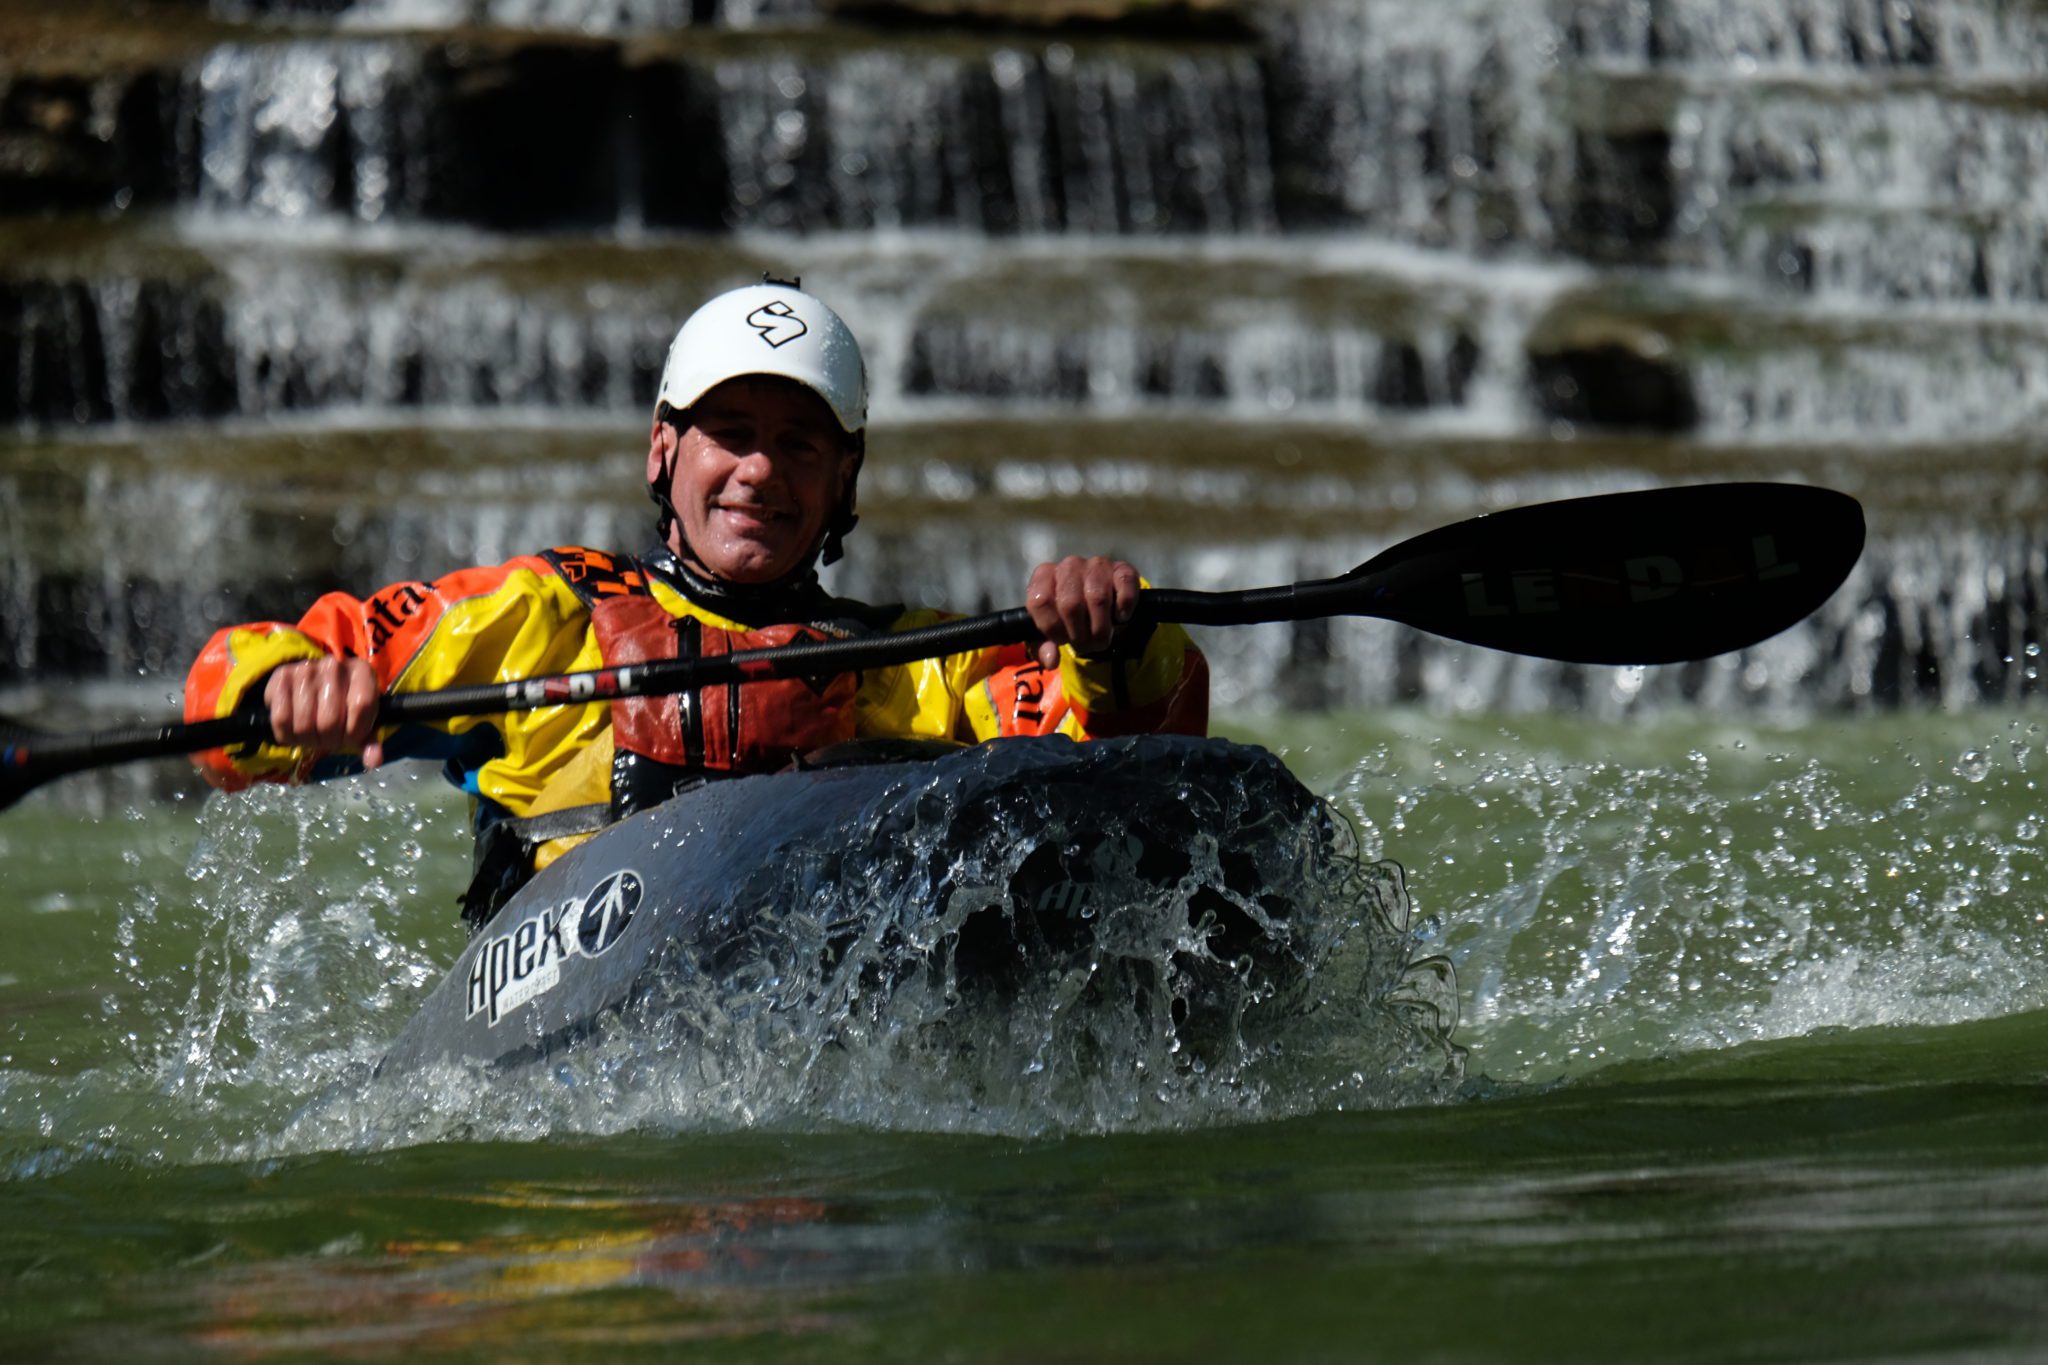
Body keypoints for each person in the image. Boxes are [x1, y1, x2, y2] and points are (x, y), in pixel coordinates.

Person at [184, 279, 1208, 923]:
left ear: (841, 484)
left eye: (799, 443)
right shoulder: (537, 615)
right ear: (665, 451)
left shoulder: (925, 662)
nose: (761, 471)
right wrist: (288, 688)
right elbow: (225, 709)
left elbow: (1118, 764)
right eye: (731, 432)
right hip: (569, 1012)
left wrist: (1117, 640)